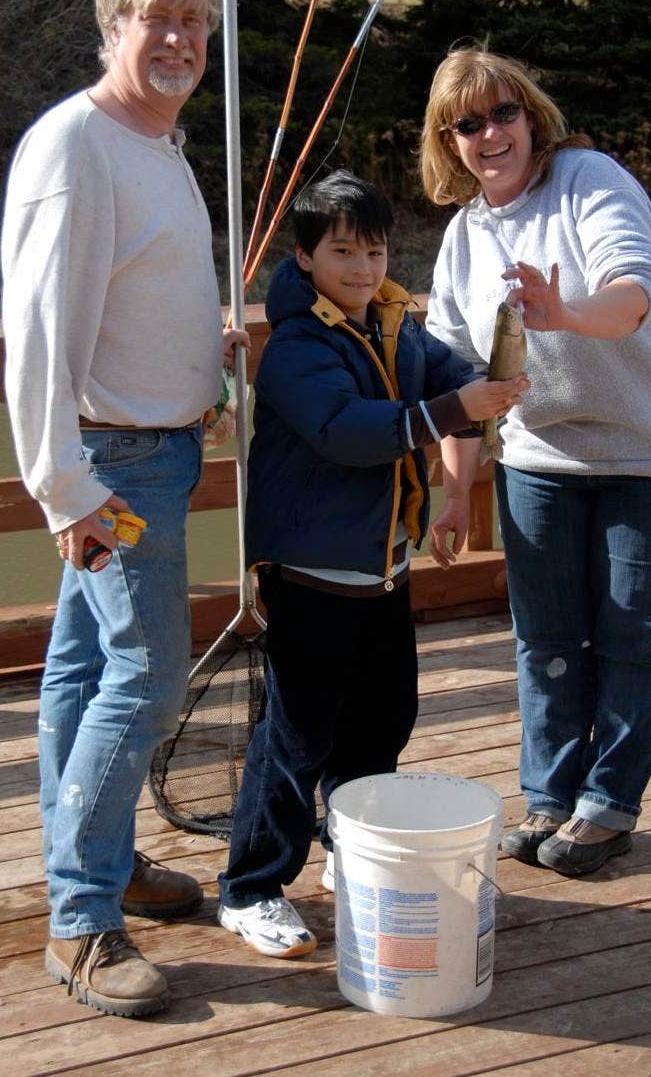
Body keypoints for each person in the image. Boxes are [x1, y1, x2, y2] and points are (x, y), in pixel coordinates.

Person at [1, 0, 247, 1018]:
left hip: (159, 449)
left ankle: (95, 864)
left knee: (81, 674)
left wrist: (212, 360)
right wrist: (67, 490)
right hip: (114, 469)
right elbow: (39, 339)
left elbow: (141, 298)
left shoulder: (161, 143)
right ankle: (83, 919)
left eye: (196, 22)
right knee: (146, 678)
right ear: (115, 26)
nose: (183, 40)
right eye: (162, 19)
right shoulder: (77, 146)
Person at [215, 169, 527, 957]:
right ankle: (250, 888)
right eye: (344, 251)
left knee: (383, 721)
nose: (362, 268)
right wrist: (459, 411)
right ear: (307, 256)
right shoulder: (292, 346)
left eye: (376, 250)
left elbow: (441, 368)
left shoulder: (392, 321)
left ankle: (343, 848)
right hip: (312, 580)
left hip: (384, 571)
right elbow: (348, 431)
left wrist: (481, 382)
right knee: (296, 736)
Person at [421, 45, 651, 877]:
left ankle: (608, 807)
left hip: (648, 453)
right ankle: (550, 797)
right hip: (537, 462)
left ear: (532, 117)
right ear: (448, 141)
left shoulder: (591, 180)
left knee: (636, 639)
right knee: (546, 641)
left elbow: (637, 290)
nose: (491, 133)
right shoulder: (464, 235)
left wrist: (564, 310)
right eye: (469, 122)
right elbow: (459, 381)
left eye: (505, 113)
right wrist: (455, 494)